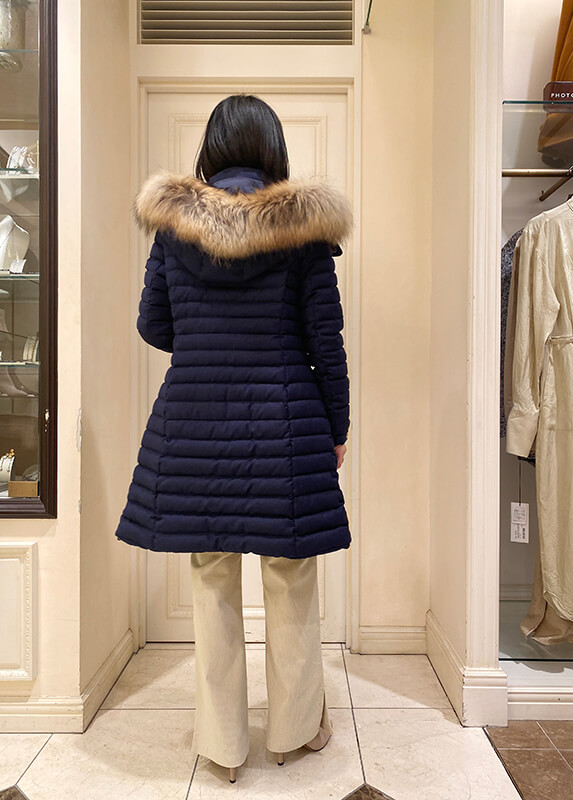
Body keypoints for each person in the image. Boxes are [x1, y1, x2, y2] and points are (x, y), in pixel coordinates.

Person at [114, 94, 353, 783]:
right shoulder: (304, 229)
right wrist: (336, 428)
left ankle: (222, 746)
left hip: (194, 422)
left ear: (212, 150)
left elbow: (153, 324)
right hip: (286, 423)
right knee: (291, 577)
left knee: (212, 580)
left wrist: (205, 339)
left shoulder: (174, 229)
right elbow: (325, 343)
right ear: (273, 149)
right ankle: (293, 733)